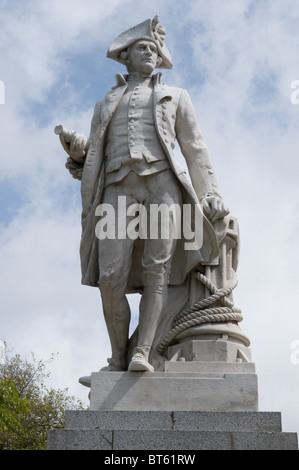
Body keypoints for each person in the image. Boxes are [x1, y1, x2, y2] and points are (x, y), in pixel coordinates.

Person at [58, 16, 229, 373]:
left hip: (162, 186)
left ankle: (143, 352)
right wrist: (77, 151)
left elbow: (195, 149)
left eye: (153, 49)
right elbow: (97, 155)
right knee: (110, 276)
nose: (149, 52)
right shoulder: (105, 102)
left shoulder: (176, 97)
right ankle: (118, 353)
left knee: (157, 270)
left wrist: (210, 191)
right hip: (117, 190)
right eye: (142, 48)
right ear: (127, 57)